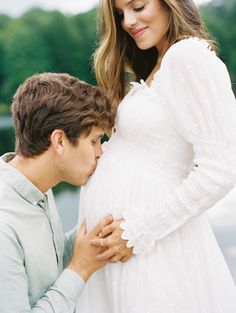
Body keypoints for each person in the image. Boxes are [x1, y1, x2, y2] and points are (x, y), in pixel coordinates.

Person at [75, 0, 236, 312]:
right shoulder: (157, 67)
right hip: (128, 250)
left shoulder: (187, 56)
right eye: (121, 14)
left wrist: (139, 230)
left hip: (151, 247)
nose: (127, 22)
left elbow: (224, 167)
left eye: (138, 6)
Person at [0, 72, 120, 312]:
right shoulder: (4, 226)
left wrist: (99, 230)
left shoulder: (38, 187)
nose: (100, 152)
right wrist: (81, 268)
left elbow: (45, 264)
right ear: (60, 141)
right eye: (94, 141)